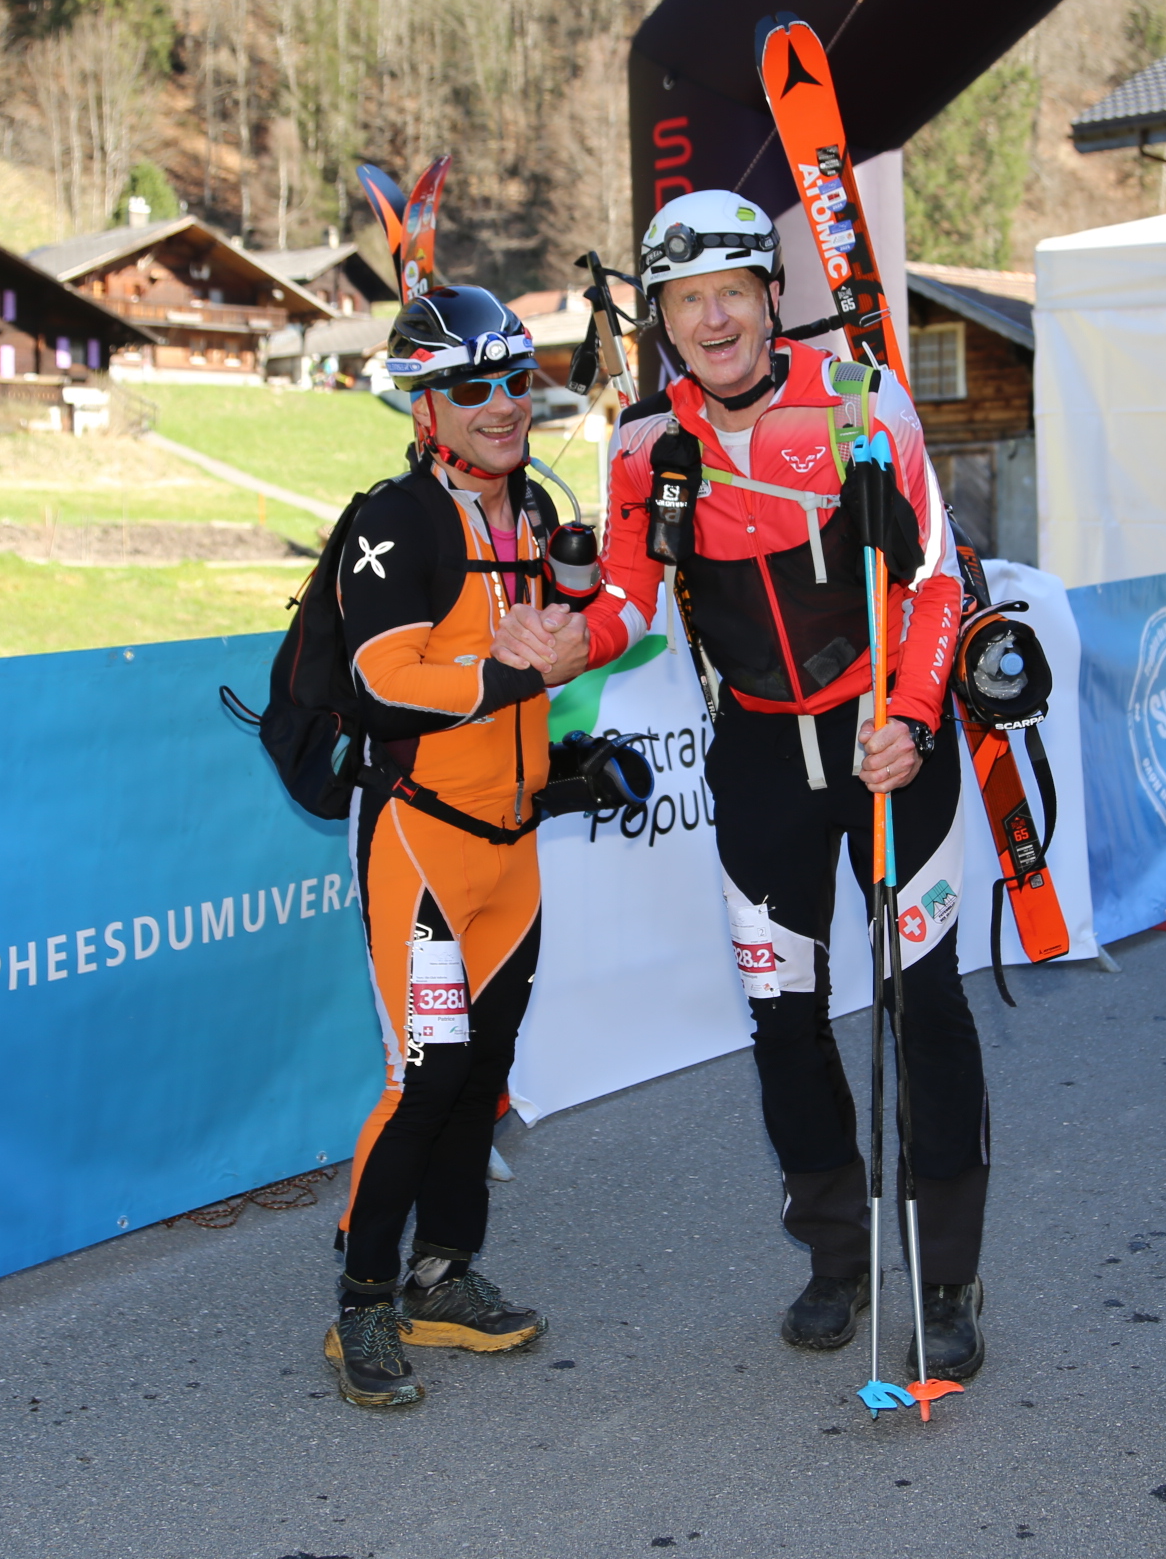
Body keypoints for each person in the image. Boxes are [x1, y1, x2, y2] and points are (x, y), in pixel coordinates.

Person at [497, 189, 991, 1381]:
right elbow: (628, 600)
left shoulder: (863, 403)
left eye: (732, 293)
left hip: (885, 741)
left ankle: (944, 1278)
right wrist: (567, 646)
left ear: (772, 298)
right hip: (762, 755)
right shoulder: (644, 448)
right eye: (686, 302)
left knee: (924, 1005)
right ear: (662, 320)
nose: (712, 321)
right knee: (783, 1016)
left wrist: (914, 717)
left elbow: (936, 579)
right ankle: (834, 1257)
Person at [324, 284, 569, 1410]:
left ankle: (443, 1274)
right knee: (423, 1078)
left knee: (483, 1077)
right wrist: (513, 675)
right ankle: (362, 1300)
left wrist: (566, 756)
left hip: (510, 850)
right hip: (421, 845)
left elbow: (554, 650)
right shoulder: (398, 518)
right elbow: (385, 678)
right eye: (472, 387)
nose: (502, 404)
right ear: (425, 408)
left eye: (516, 379)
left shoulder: (535, 511)